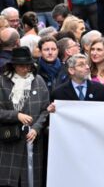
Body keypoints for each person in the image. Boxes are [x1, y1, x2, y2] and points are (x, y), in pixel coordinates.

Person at [0, 47, 49, 187]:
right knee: (8, 181)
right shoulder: (2, 82)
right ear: (14, 65)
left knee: (31, 182)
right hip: (9, 141)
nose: (26, 68)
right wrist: (16, 115)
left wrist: (36, 129)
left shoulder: (38, 81)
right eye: (22, 65)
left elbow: (45, 110)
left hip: (33, 142)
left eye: (28, 65)